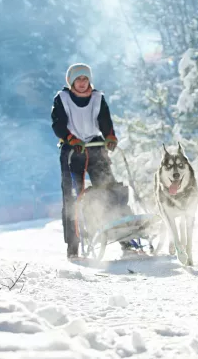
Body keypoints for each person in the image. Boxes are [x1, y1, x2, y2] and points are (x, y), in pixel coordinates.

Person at [51, 63, 119, 258]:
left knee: (110, 188)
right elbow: (58, 124)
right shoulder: (62, 99)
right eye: (78, 79)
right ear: (71, 81)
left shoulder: (98, 98)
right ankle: (73, 246)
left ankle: (125, 235)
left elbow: (105, 120)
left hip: (95, 147)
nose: (82, 83)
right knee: (73, 197)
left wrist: (110, 137)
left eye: (85, 79)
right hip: (73, 151)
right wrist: (71, 139)